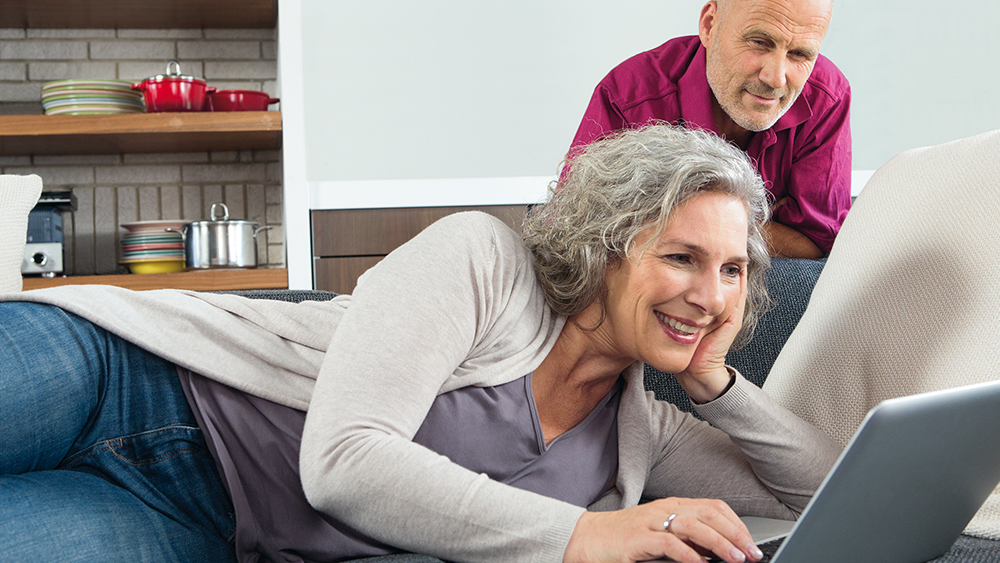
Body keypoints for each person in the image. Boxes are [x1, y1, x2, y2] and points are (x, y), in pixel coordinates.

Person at [0, 124, 841, 563]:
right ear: (610, 246)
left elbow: (824, 499)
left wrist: (715, 380)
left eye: (733, 270)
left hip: (202, 518)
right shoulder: (483, 261)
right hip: (129, 375)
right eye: (684, 258)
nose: (712, 293)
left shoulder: (641, 433)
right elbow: (346, 460)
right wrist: (585, 539)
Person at [569, 0, 851, 259]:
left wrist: (666, 221)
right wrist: (759, 226)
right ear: (709, 25)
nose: (776, 78)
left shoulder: (827, 97)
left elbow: (815, 245)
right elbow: (579, 239)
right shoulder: (628, 97)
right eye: (759, 42)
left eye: (799, 53)